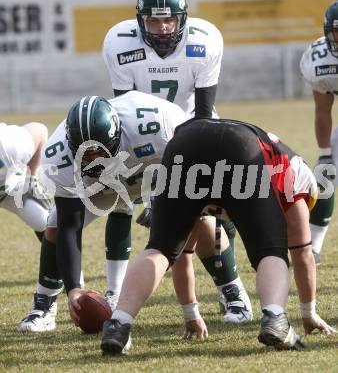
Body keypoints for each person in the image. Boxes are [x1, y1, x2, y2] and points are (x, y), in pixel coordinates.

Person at [100, 117, 337, 354]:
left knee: (161, 249)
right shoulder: (298, 180)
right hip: (240, 148)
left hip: (185, 143)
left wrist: (191, 313)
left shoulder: (281, 165)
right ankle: (275, 318)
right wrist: (309, 313)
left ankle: (119, 323)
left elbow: (183, 252)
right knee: (271, 251)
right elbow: (303, 253)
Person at [17, 91, 233, 333]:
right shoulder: (58, 157)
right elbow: (70, 226)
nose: (94, 160)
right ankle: (43, 306)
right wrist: (74, 289)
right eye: (85, 154)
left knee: (200, 217)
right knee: (55, 225)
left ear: (116, 134)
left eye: (100, 151)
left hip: (150, 171)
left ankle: (232, 293)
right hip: (99, 186)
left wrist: (158, 202)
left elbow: (189, 169)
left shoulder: (159, 125)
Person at [102, 0, 252, 323]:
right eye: (154, 22)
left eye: (169, 20)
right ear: (140, 21)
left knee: (202, 213)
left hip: (195, 127)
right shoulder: (119, 42)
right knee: (120, 195)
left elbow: (202, 112)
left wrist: (176, 175)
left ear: (182, 17)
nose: (163, 28)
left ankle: (233, 292)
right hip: (142, 132)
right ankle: (115, 291)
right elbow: (126, 107)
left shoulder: (204, 39)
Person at [300, 0, 338, 264]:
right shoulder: (319, 60)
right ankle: (313, 244)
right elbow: (323, 110)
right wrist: (325, 153)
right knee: (325, 174)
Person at [0, 122, 50, 241]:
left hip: (12, 189)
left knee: (44, 222)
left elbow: (40, 130)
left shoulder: (10, 147)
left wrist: (32, 178)